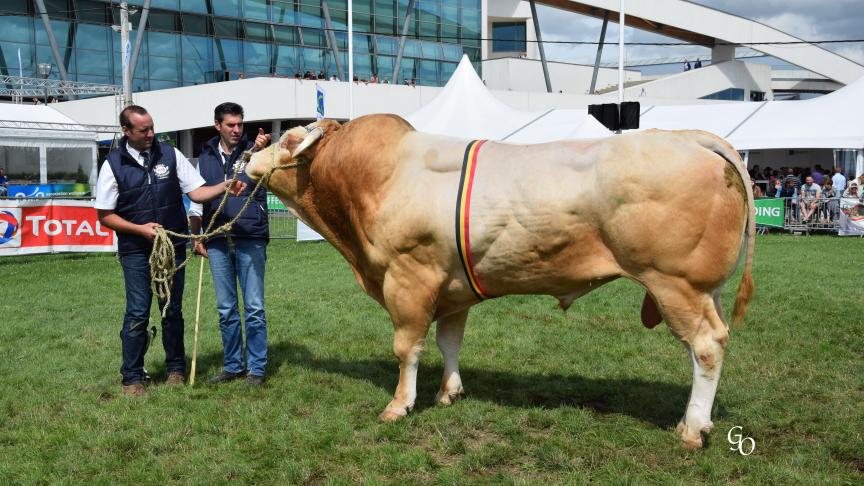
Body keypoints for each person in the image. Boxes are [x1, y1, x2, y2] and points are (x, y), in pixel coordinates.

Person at [95, 105, 246, 397]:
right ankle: (132, 378)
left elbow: (196, 192)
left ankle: (175, 369)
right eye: (144, 130)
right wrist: (140, 230)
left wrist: (223, 186)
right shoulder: (113, 164)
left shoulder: (171, 155)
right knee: (138, 313)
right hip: (136, 251)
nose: (151, 134)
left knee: (172, 310)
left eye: (152, 127)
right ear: (126, 131)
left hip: (173, 248)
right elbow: (104, 215)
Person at [188, 102, 272, 387]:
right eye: (231, 125)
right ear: (218, 125)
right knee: (226, 308)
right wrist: (197, 235)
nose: (237, 130)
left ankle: (257, 370)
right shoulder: (205, 155)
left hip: (250, 235)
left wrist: (261, 150)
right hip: (217, 239)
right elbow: (197, 198)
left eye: (240, 124)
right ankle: (233, 365)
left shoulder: (254, 152)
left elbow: (269, 169)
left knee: (254, 307)